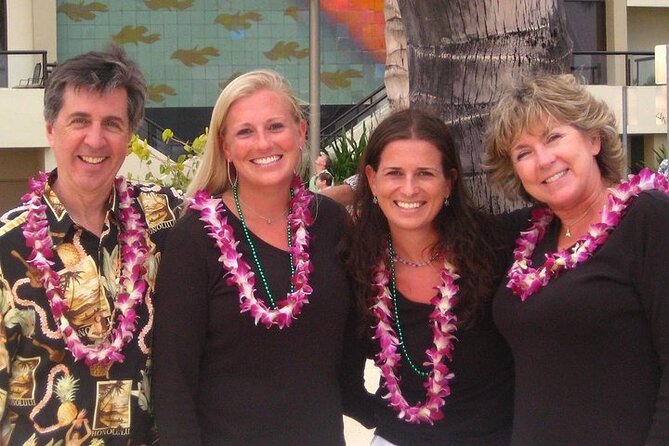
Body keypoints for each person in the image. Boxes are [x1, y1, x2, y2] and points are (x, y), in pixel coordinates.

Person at [152, 69, 362, 445]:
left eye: (275, 126)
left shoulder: (330, 223)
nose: (263, 143)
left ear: (301, 132)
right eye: (245, 132)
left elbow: (354, 343)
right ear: (226, 147)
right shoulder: (194, 240)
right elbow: (173, 383)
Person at [0, 46, 181, 444]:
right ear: (51, 128)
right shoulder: (6, 245)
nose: (95, 140)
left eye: (112, 124)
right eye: (79, 120)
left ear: (130, 134)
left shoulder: (166, 217)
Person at [484, 73, 669, 445]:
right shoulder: (527, 239)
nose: (544, 160)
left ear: (594, 139)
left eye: (554, 137)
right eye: (523, 153)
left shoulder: (650, 219)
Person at [346, 108, 516, 445]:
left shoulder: (498, 247)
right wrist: (381, 417)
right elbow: (339, 376)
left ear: (449, 182)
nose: (409, 189)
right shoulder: (355, 265)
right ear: (372, 179)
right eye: (394, 173)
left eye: (425, 173)